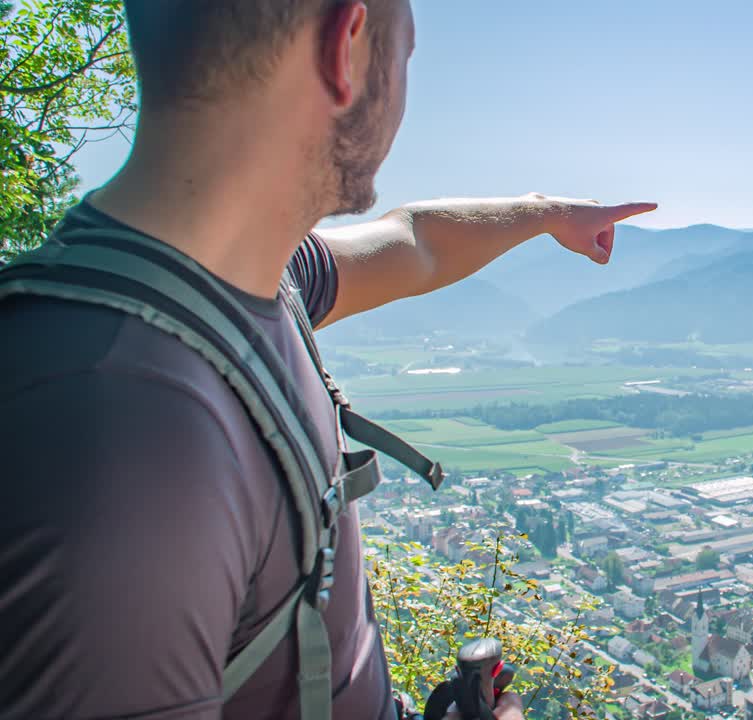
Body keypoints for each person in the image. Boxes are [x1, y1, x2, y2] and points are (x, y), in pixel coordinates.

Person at [0, 2, 654, 718]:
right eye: (405, 53)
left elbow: (416, 242)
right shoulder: (124, 430)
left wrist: (548, 212)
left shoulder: (242, 281)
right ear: (344, 46)